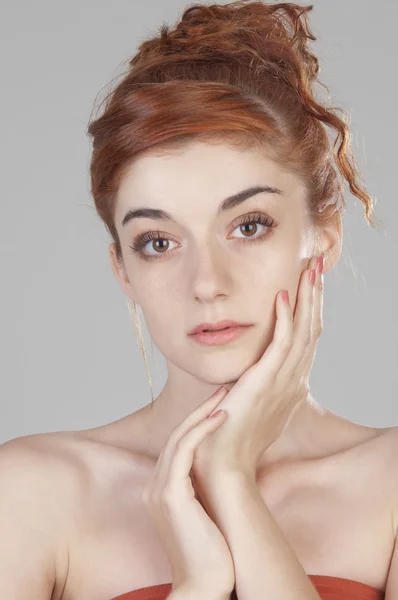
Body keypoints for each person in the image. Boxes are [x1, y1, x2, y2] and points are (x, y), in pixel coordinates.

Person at [0, 1, 396, 599]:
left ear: (323, 240)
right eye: (158, 242)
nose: (206, 282)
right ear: (123, 271)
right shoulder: (32, 492)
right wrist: (198, 586)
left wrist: (231, 479)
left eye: (249, 225)